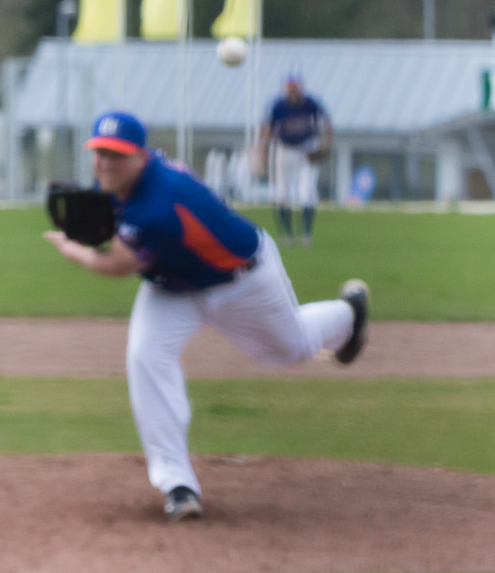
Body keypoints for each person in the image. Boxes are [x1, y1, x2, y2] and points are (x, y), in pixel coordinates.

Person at [46, 111, 370, 522]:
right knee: (146, 356)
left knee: (292, 348)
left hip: (241, 281)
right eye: (100, 153)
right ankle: (177, 485)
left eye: (117, 155)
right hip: (173, 287)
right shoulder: (124, 184)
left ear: (141, 156)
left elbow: (118, 265)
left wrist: (72, 249)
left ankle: (350, 314)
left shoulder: (159, 204)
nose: (105, 163)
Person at [258, 75, 331, 246]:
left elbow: (326, 122)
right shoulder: (279, 106)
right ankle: (286, 234)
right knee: (281, 192)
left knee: (307, 191)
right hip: (284, 148)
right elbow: (269, 128)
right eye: (290, 90)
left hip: (306, 147)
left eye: (295, 89)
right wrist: (263, 152)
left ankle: (306, 233)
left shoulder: (310, 104)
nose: (293, 93)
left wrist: (325, 144)